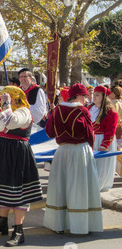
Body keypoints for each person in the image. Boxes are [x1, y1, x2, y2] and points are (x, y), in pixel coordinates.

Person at [0, 86, 42, 247]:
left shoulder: (24, 111)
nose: (3, 99)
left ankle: (19, 230)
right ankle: (2, 222)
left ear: (14, 98)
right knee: (1, 189)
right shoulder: (9, 110)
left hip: (16, 153)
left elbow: (10, 122)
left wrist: (6, 105)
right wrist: (5, 108)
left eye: (7, 97)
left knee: (17, 191)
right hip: (2, 152)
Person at [43, 83, 103, 234]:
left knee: (61, 187)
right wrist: (90, 149)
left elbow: (49, 132)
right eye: (84, 96)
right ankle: (79, 225)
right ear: (77, 96)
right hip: (79, 151)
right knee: (79, 186)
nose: (86, 99)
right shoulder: (82, 110)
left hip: (62, 151)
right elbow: (89, 133)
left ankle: (59, 223)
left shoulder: (57, 110)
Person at [88, 85, 118, 191]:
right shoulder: (89, 108)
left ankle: (100, 186)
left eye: (97, 95)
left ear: (104, 97)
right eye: (94, 95)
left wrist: (104, 145)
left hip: (102, 140)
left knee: (102, 165)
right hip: (91, 140)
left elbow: (110, 131)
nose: (94, 97)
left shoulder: (110, 112)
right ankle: (91, 186)